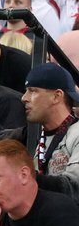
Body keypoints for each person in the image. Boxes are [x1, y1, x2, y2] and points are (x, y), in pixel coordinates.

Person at [16, 63, 79, 199]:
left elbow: (75, 187)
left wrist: (26, 179)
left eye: (33, 91)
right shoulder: (43, 139)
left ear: (56, 96)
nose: (24, 98)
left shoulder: (76, 133)